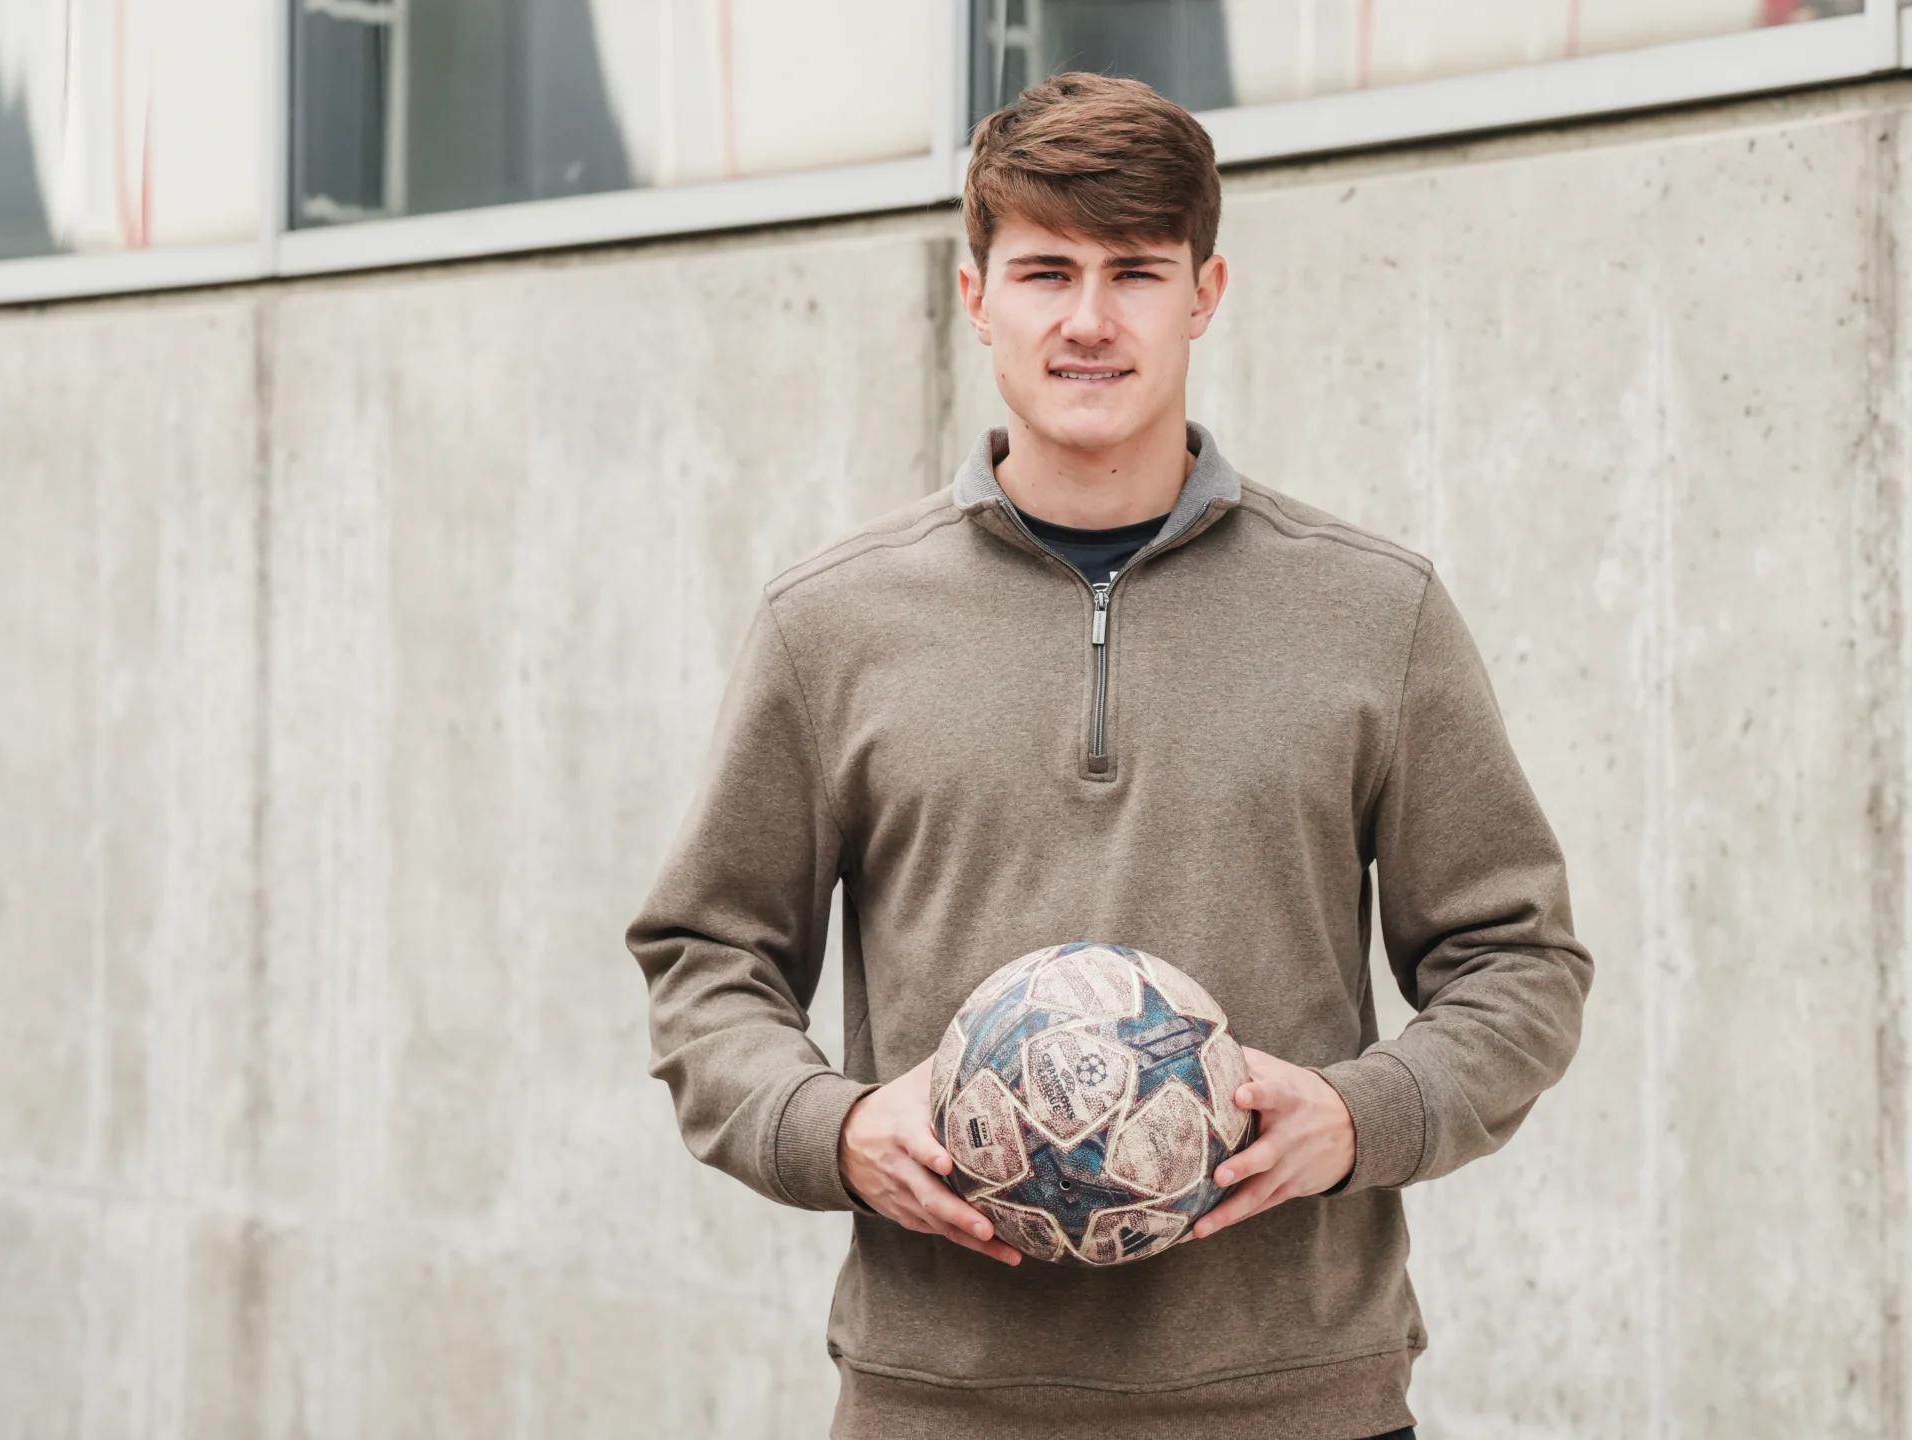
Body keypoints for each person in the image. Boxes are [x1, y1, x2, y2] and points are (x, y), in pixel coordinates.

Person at [627, 72, 1592, 1440]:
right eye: (1043, 271)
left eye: (1136, 272)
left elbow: (1520, 963)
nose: (1089, 320)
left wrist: (1366, 1116)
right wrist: (828, 1127)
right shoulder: (830, 625)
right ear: (977, 298)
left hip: (1301, 1405)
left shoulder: (1376, 612)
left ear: (1205, 293)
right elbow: (706, 962)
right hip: (936, 1407)